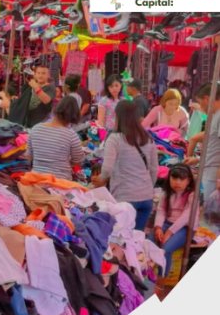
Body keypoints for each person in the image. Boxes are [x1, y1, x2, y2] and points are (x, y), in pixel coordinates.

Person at [98, 100, 158, 230]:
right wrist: (147, 188)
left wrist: (100, 179)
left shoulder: (115, 138)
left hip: (125, 197)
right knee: (137, 239)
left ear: (118, 116)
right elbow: (154, 169)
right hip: (147, 197)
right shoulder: (147, 138)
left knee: (121, 240)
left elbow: (107, 168)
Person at [148, 163, 197, 278]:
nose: (177, 182)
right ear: (169, 177)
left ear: (188, 180)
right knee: (149, 243)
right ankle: (149, 275)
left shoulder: (192, 195)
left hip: (186, 228)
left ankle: (161, 279)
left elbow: (186, 217)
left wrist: (169, 233)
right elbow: (161, 211)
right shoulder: (166, 193)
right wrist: (158, 228)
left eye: (182, 179)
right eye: (174, 178)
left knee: (166, 249)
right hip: (167, 224)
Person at [26, 96, 85, 180]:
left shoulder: (35, 129)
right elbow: (78, 161)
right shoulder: (70, 134)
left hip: (36, 180)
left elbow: (29, 156)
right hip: (60, 184)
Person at [184, 82, 220, 201]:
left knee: (213, 217)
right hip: (210, 174)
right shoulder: (215, 116)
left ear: (207, 99)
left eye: (200, 103)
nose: (201, 107)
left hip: (214, 177)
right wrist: (198, 160)